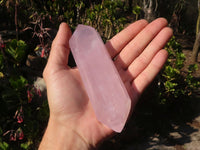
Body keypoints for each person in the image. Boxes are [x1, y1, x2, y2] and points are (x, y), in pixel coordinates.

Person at [39, 18, 173, 150]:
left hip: (115, 115)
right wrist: (68, 128)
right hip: (113, 116)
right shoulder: (82, 37)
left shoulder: (83, 36)